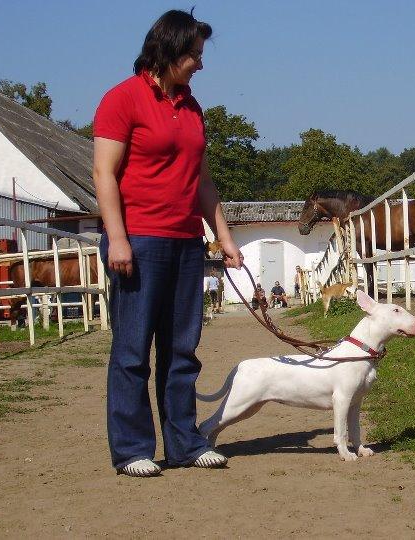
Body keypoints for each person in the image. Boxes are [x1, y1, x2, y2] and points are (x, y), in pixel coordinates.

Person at [93, 9, 243, 477]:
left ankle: (183, 442)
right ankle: (133, 449)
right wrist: (117, 238)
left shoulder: (192, 106)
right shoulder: (122, 99)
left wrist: (224, 236)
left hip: (185, 242)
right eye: (194, 55)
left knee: (182, 350)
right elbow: (103, 173)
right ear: (169, 50)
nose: (200, 63)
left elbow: (202, 179)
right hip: (138, 240)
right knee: (133, 350)